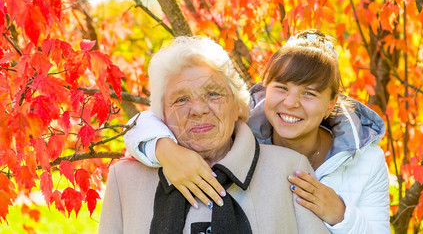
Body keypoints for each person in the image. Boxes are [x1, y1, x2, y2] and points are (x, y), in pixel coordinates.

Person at [124, 30, 391, 233]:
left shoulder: (365, 161)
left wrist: (341, 215)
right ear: (265, 88)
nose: (291, 103)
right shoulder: (241, 128)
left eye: (308, 93)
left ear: (331, 103)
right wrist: (166, 150)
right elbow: (142, 123)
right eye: (282, 88)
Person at [99, 36, 329, 233]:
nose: (198, 109)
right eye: (181, 99)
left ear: (239, 105)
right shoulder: (124, 179)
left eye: (213, 94)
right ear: (162, 115)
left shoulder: (289, 170)